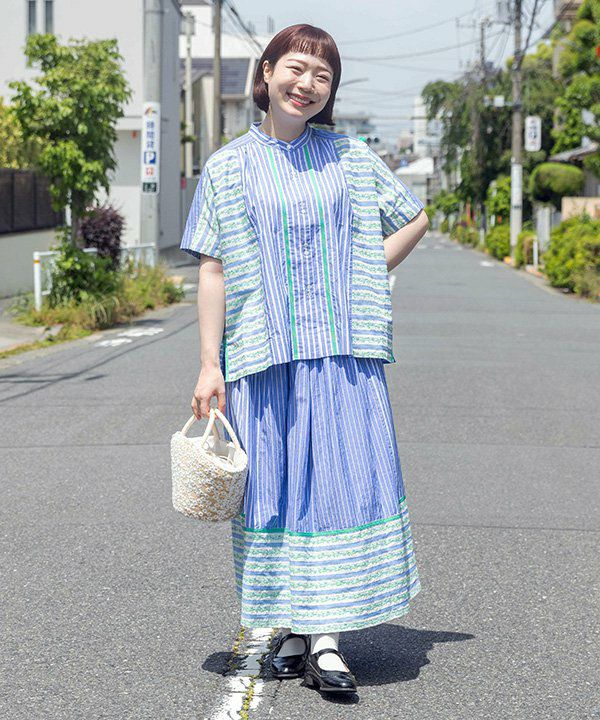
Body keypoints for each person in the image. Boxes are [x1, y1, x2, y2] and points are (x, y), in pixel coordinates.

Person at [180, 23, 429, 695]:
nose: (307, 85)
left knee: (335, 489)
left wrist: (363, 274)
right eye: (295, 68)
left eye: (322, 75)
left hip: (341, 354)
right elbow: (212, 268)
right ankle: (290, 625)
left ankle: (326, 638)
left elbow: (413, 216)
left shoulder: (348, 156)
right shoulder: (228, 167)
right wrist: (209, 365)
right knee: (277, 492)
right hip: (261, 355)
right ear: (266, 73)